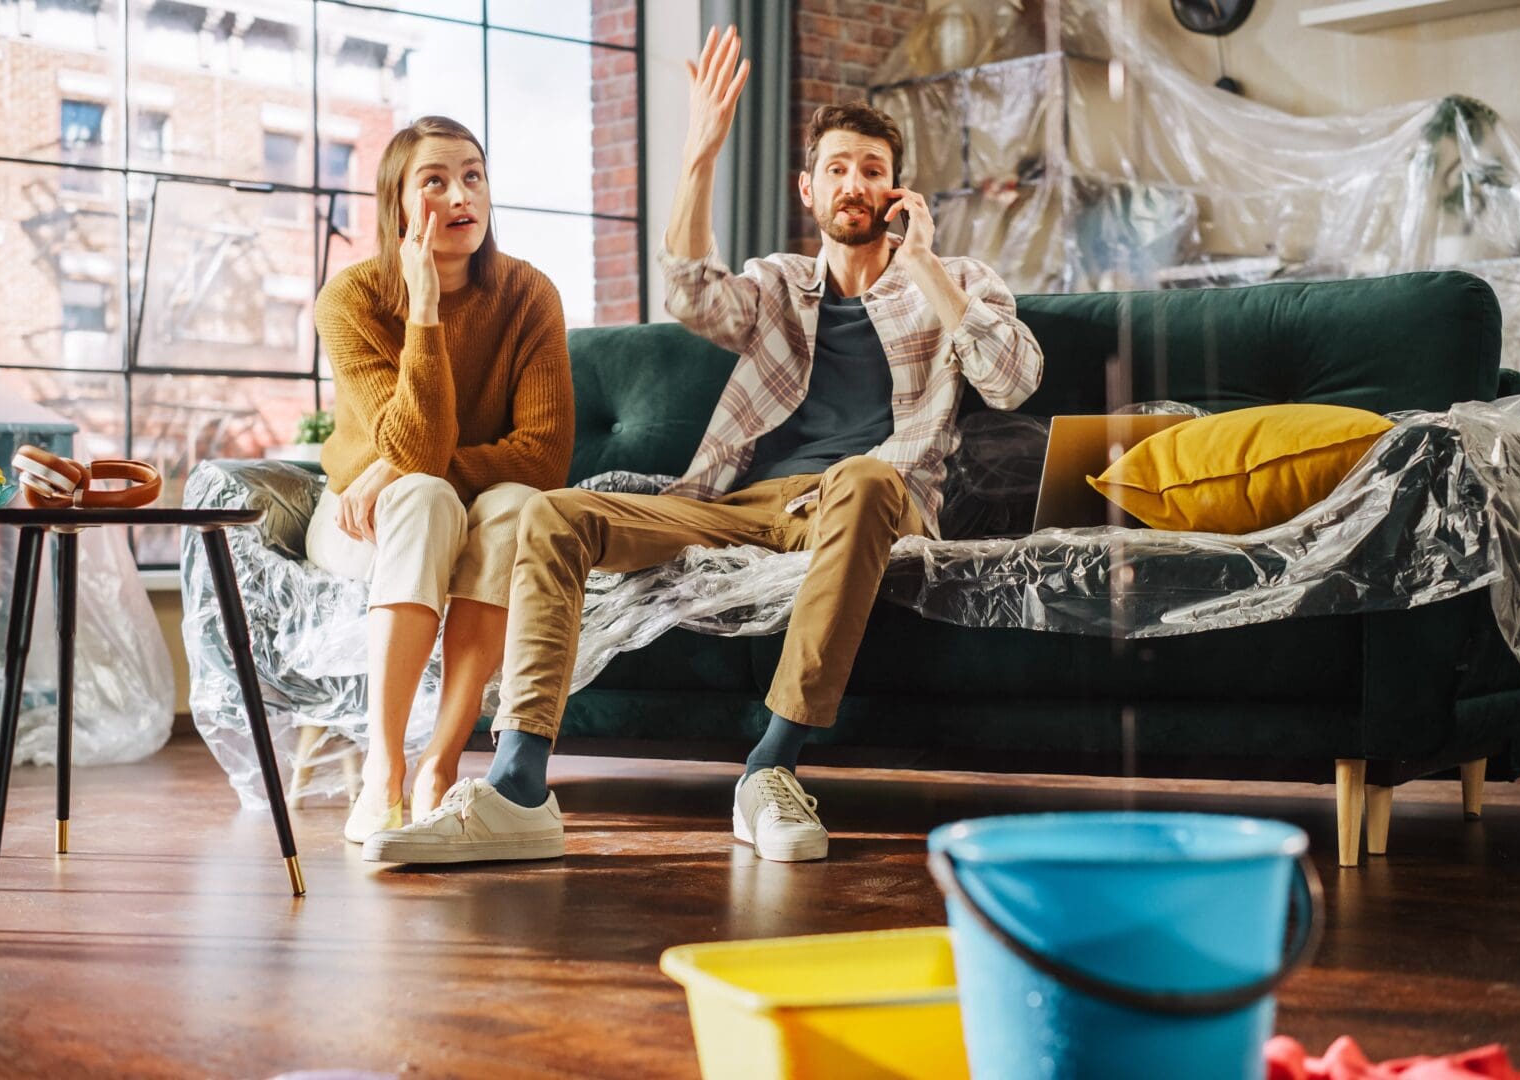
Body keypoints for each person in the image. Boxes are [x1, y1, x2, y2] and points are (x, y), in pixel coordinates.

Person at [362, 26, 1042, 866]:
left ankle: (771, 769)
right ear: (808, 189)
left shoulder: (958, 282)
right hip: (738, 505)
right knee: (553, 514)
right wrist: (700, 153)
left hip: (862, 501)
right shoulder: (779, 284)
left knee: (866, 479)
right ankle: (517, 785)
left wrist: (927, 264)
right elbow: (689, 292)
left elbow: (1013, 379)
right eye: (837, 168)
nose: (855, 184)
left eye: (872, 169)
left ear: (896, 190)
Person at [306, 115, 574, 845]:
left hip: (470, 505)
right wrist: (423, 312)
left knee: (518, 507)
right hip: (360, 517)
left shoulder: (529, 294)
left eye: (472, 177)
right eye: (435, 181)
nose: (461, 196)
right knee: (423, 497)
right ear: (397, 203)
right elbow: (416, 453)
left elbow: (543, 458)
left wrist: (402, 465)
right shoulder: (351, 299)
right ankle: (384, 769)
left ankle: (440, 762)